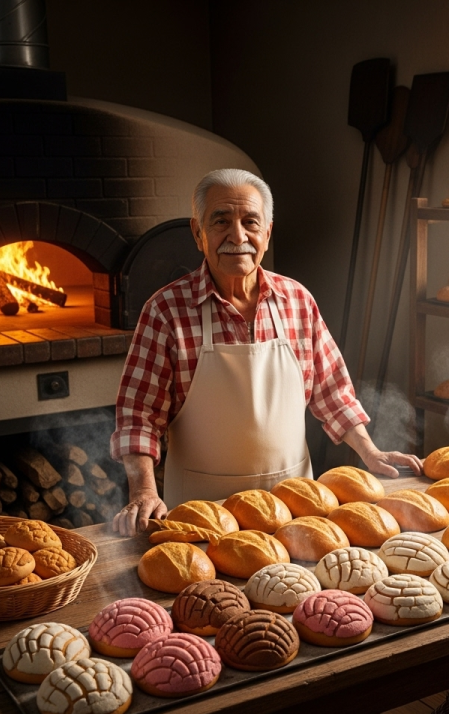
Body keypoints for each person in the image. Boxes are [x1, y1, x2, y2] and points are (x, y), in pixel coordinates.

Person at [111, 167, 422, 537]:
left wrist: (371, 452)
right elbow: (138, 417)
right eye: (221, 221)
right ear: (198, 233)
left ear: (267, 233)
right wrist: (144, 490)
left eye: (250, 222)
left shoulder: (297, 300)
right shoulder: (165, 311)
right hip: (203, 512)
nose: (237, 236)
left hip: (295, 507)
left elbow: (333, 392)